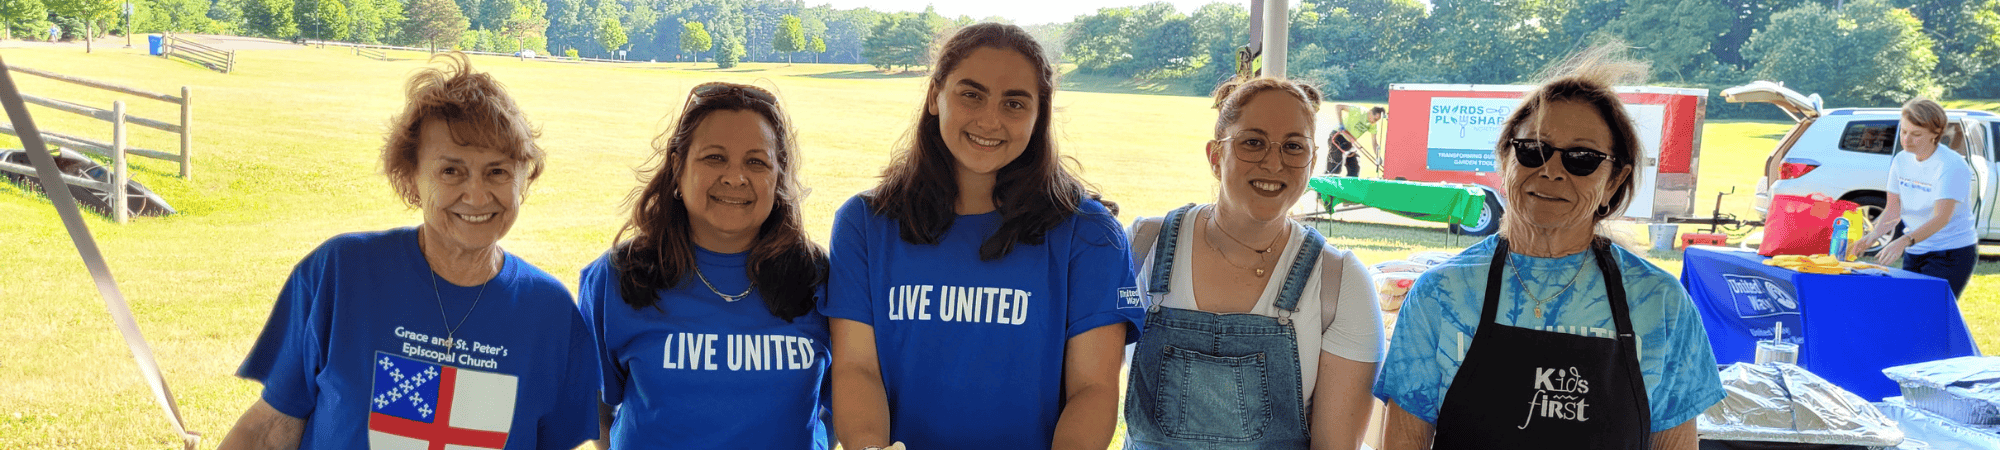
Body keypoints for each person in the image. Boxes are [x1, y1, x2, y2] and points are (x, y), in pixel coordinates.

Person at [219, 52, 597, 450]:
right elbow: (272, 428)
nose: (477, 195)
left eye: (497, 172)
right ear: (411, 178)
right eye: (451, 171)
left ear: (524, 180)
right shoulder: (342, 273)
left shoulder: (551, 312)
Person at [1373, 45, 1724, 450]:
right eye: (1532, 150)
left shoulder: (1660, 304)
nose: (1552, 170)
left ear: (1614, 180)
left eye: (1582, 158)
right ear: (1505, 159)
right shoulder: (1441, 294)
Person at [824, 22, 1144, 450]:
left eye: (1014, 103)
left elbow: (1094, 388)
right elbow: (857, 368)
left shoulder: (1089, 234)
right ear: (935, 96)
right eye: (971, 95)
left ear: (1039, 114)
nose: (990, 120)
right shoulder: (865, 223)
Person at [1122, 76, 1385, 450]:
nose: (1273, 163)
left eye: (1293, 147)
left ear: (1312, 162)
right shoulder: (1141, 248)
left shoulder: (1340, 284)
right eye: (1253, 142)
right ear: (1215, 156)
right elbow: (1088, 387)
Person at [577, 82, 832, 449]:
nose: (734, 177)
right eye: (714, 157)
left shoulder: (818, 277)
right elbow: (594, 404)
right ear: (678, 167)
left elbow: (850, 396)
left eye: (756, 162)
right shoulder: (619, 276)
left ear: (778, 176)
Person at [1849, 98, 1977, 297]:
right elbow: (1893, 210)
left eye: (1916, 134)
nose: (1906, 140)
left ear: (1936, 133)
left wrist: (1903, 241)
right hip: (1915, 249)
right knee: (1909, 307)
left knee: (1931, 311)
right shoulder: (1901, 160)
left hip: (1950, 252)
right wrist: (1871, 237)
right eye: (1904, 131)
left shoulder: (1950, 165)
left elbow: (1941, 218)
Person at [1327, 103, 1384, 177]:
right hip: (1337, 137)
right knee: (1335, 165)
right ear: (1370, 112)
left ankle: (1350, 183)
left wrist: (1378, 156)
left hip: (1348, 142)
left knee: (1355, 166)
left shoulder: (1373, 125)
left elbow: (1374, 142)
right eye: (1375, 119)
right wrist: (1341, 124)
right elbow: (1338, 106)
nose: (1375, 122)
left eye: (1377, 120)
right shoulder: (1359, 111)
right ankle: (1326, 180)